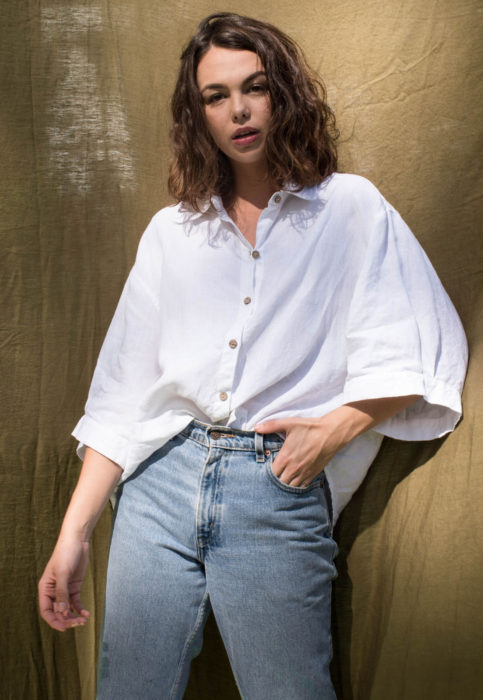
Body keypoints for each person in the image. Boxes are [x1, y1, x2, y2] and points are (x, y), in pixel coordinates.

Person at [38, 12, 468, 700]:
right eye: (215, 96)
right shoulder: (170, 235)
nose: (238, 110)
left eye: (255, 87)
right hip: (158, 483)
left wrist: (331, 431)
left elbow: (418, 348)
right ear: (196, 113)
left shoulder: (349, 210)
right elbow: (121, 398)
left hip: (272, 487)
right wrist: (74, 535)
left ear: (283, 95)